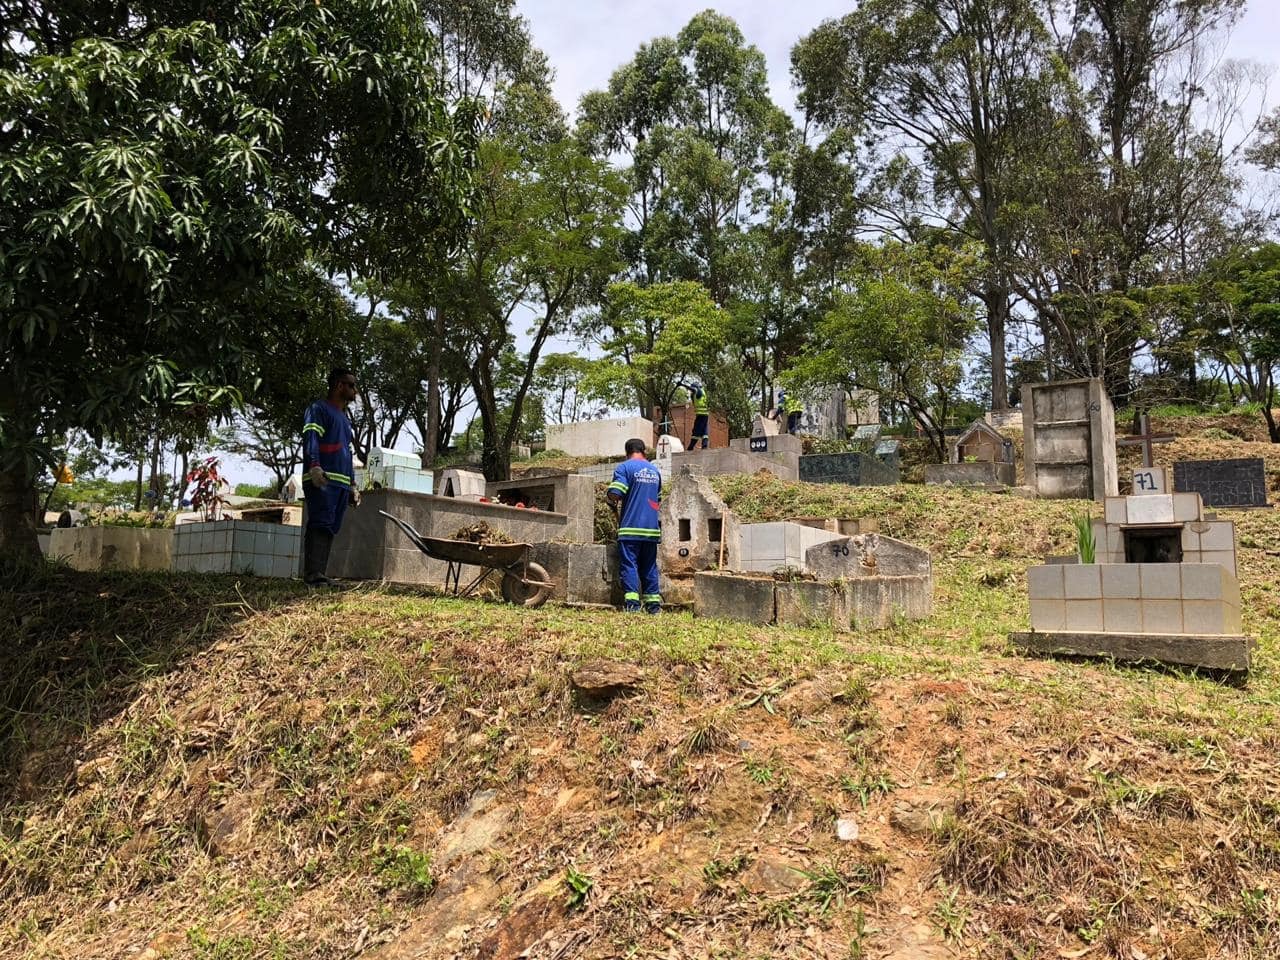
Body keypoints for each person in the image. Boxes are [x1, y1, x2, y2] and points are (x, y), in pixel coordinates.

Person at [301, 368, 360, 585]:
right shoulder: (318, 409)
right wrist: (314, 466)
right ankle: (313, 575)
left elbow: (347, 451)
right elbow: (312, 437)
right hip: (323, 478)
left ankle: (320, 574)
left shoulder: (344, 420)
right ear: (339, 386)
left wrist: (353, 484)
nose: (355, 390)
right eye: (351, 385)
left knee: (330, 527)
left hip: (341, 483)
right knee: (320, 523)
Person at [606, 438, 662, 614]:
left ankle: (633, 606)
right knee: (649, 566)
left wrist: (609, 496)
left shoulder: (624, 467)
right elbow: (656, 500)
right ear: (644, 451)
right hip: (652, 530)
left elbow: (616, 493)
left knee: (630, 565)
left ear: (627, 452)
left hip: (631, 528)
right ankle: (653, 607)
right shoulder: (655, 471)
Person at [685, 381, 710, 450]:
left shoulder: (698, 391)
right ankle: (704, 445)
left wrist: (682, 385)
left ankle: (691, 446)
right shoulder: (702, 392)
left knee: (696, 431)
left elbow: (693, 389)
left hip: (701, 415)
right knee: (704, 430)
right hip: (705, 414)